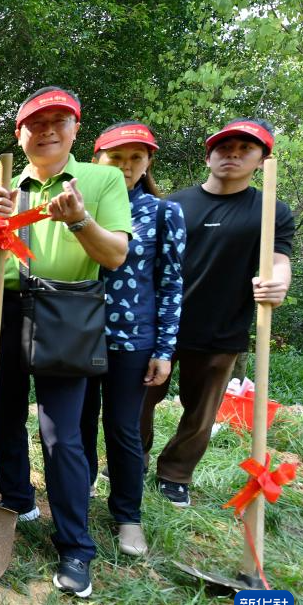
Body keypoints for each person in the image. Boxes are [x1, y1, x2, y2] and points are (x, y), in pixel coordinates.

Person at [0, 87, 131, 597]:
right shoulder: (6, 186)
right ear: (19, 135)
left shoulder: (102, 179)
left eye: (58, 121)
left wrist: (80, 220)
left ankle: (75, 547)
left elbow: (114, 257)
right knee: (4, 416)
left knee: (62, 433)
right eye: (35, 123)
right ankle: (18, 500)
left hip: (67, 310)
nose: (46, 131)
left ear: (75, 129)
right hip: (6, 309)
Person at [139, 118, 295, 506]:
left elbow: (279, 260)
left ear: (261, 159)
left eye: (246, 149)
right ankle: (132, 459)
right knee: (139, 398)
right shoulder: (175, 204)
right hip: (161, 324)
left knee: (201, 409)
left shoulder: (270, 210)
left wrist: (277, 282)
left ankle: (175, 474)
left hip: (223, 326)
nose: (234, 155)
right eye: (226, 148)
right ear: (209, 155)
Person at [78, 122, 186, 556]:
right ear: (97, 160)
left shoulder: (163, 213)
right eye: (116, 158)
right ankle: (79, 494)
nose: (126, 167)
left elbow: (171, 283)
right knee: (78, 422)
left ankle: (128, 516)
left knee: (122, 428)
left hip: (132, 338)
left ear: (148, 163)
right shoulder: (80, 207)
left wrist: (164, 349)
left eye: (136, 158)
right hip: (78, 334)